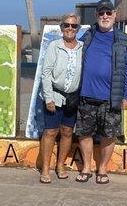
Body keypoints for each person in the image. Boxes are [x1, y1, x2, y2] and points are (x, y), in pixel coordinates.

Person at [75, 0, 127, 184]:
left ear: (115, 15)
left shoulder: (123, 40)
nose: (105, 16)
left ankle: (102, 169)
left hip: (111, 97)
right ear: (96, 16)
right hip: (86, 96)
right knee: (84, 133)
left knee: (109, 135)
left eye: (108, 13)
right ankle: (86, 167)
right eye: (101, 13)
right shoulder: (88, 35)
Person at [39, 13, 84, 184]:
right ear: (61, 28)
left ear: (78, 29)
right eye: (67, 25)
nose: (70, 29)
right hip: (55, 96)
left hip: (72, 99)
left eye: (74, 26)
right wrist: (49, 98)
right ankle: (45, 168)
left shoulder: (82, 47)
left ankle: (60, 165)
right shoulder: (54, 46)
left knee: (67, 132)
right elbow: (46, 73)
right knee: (50, 132)